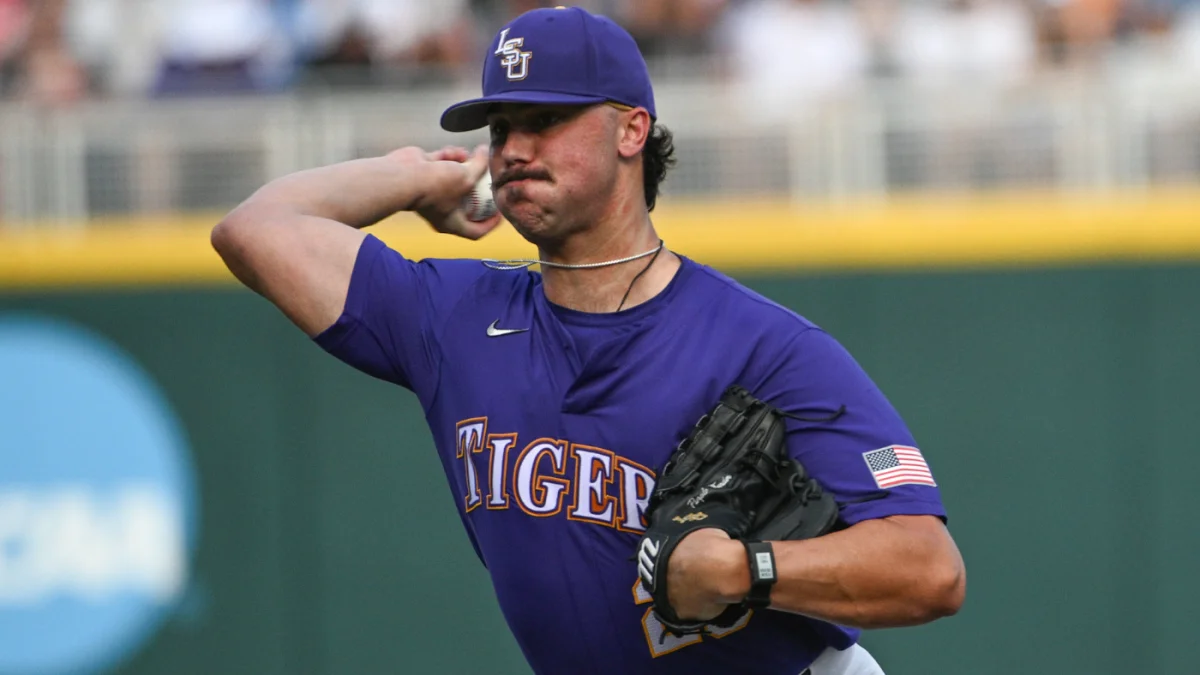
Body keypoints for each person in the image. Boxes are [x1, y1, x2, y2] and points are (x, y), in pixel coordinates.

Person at [211, 6, 965, 674]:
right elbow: (254, 231)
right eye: (500, 128)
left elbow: (930, 570)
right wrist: (409, 177)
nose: (513, 149)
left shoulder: (764, 348)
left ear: (632, 129)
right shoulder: (453, 316)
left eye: (544, 120)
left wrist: (747, 568)